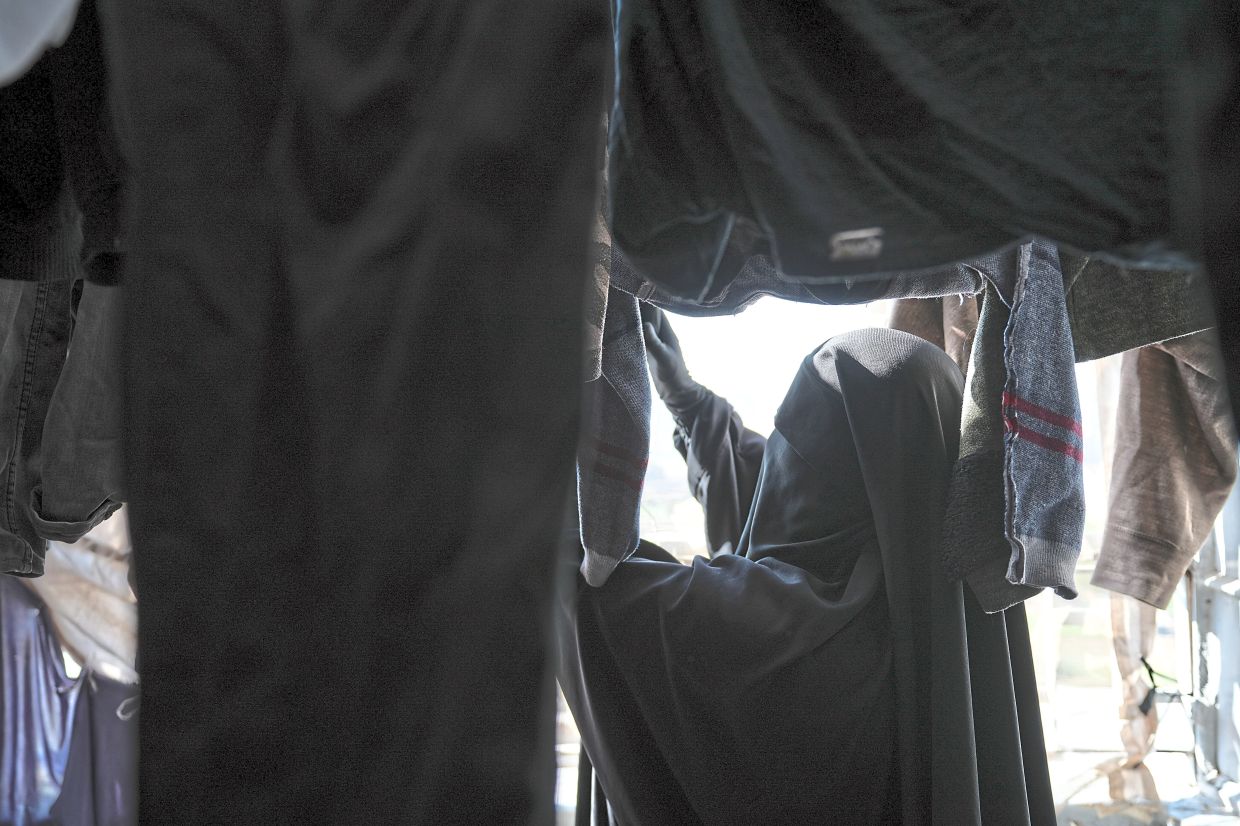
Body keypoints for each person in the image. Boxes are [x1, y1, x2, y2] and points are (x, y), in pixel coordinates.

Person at [557, 308, 1057, 825]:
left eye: (790, 443)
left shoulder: (768, 639)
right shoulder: (965, 620)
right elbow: (783, 497)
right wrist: (687, 400)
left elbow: (591, 583)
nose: (777, 457)